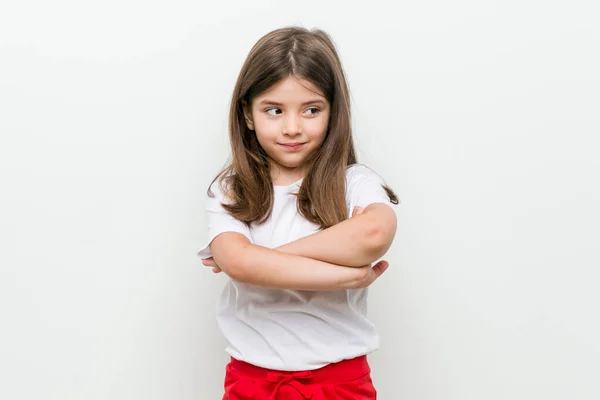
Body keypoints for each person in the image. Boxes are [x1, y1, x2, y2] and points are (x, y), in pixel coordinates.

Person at [197, 26, 400, 400]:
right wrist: (344, 277)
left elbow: (373, 235)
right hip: (252, 381)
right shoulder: (232, 189)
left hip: (340, 381)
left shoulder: (354, 182)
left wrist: (261, 260)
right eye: (274, 110)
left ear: (333, 112)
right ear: (248, 114)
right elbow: (239, 264)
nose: (292, 128)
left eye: (311, 110)